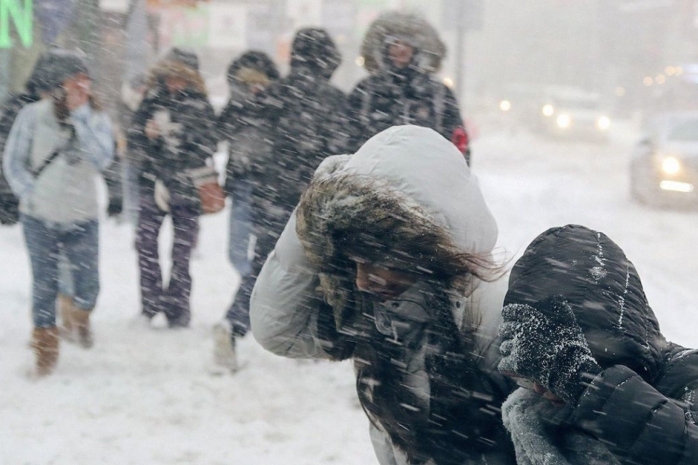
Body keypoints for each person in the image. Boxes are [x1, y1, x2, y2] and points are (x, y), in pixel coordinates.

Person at [250, 125, 517, 464]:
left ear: (427, 251)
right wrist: (315, 212)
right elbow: (277, 329)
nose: (362, 280)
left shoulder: (495, 313)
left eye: (378, 261)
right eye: (353, 262)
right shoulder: (375, 313)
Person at [497, 224, 698, 465]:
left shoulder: (688, 376)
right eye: (530, 376)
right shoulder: (530, 414)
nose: (539, 389)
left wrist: (590, 387)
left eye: (557, 370)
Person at [214, 29, 349, 371]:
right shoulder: (335, 101)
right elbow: (346, 154)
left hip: (271, 196)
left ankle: (233, 324)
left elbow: (245, 143)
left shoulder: (271, 96)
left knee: (264, 265)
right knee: (321, 268)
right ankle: (313, 338)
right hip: (317, 198)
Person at [3, 49, 114, 376]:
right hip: (40, 218)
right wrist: (30, 194)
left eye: (85, 82)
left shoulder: (96, 120)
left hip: (83, 215)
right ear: (57, 86)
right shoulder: (33, 116)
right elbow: (13, 160)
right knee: (44, 284)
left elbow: (102, 159)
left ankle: (78, 314)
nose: (81, 88)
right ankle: (45, 348)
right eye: (73, 82)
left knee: (88, 284)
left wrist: (81, 118)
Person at [129, 48, 216, 328]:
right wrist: (147, 134)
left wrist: (179, 135)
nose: (173, 82)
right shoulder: (151, 100)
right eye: (169, 76)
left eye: (179, 77)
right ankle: (150, 304)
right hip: (152, 184)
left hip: (186, 189)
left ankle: (177, 308)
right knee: (145, 245)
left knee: (181, 252)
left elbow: (208, 144)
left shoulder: (200, 105)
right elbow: (134, 140)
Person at [347, 11, 471, 164]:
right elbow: (348, 138)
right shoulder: (365, 91)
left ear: (416, 49)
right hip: (372, 180)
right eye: (395, 44)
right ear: (384, 49)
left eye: (407, 44)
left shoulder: (438, 93)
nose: (401, 49)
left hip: (425, 179)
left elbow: (457, 142)